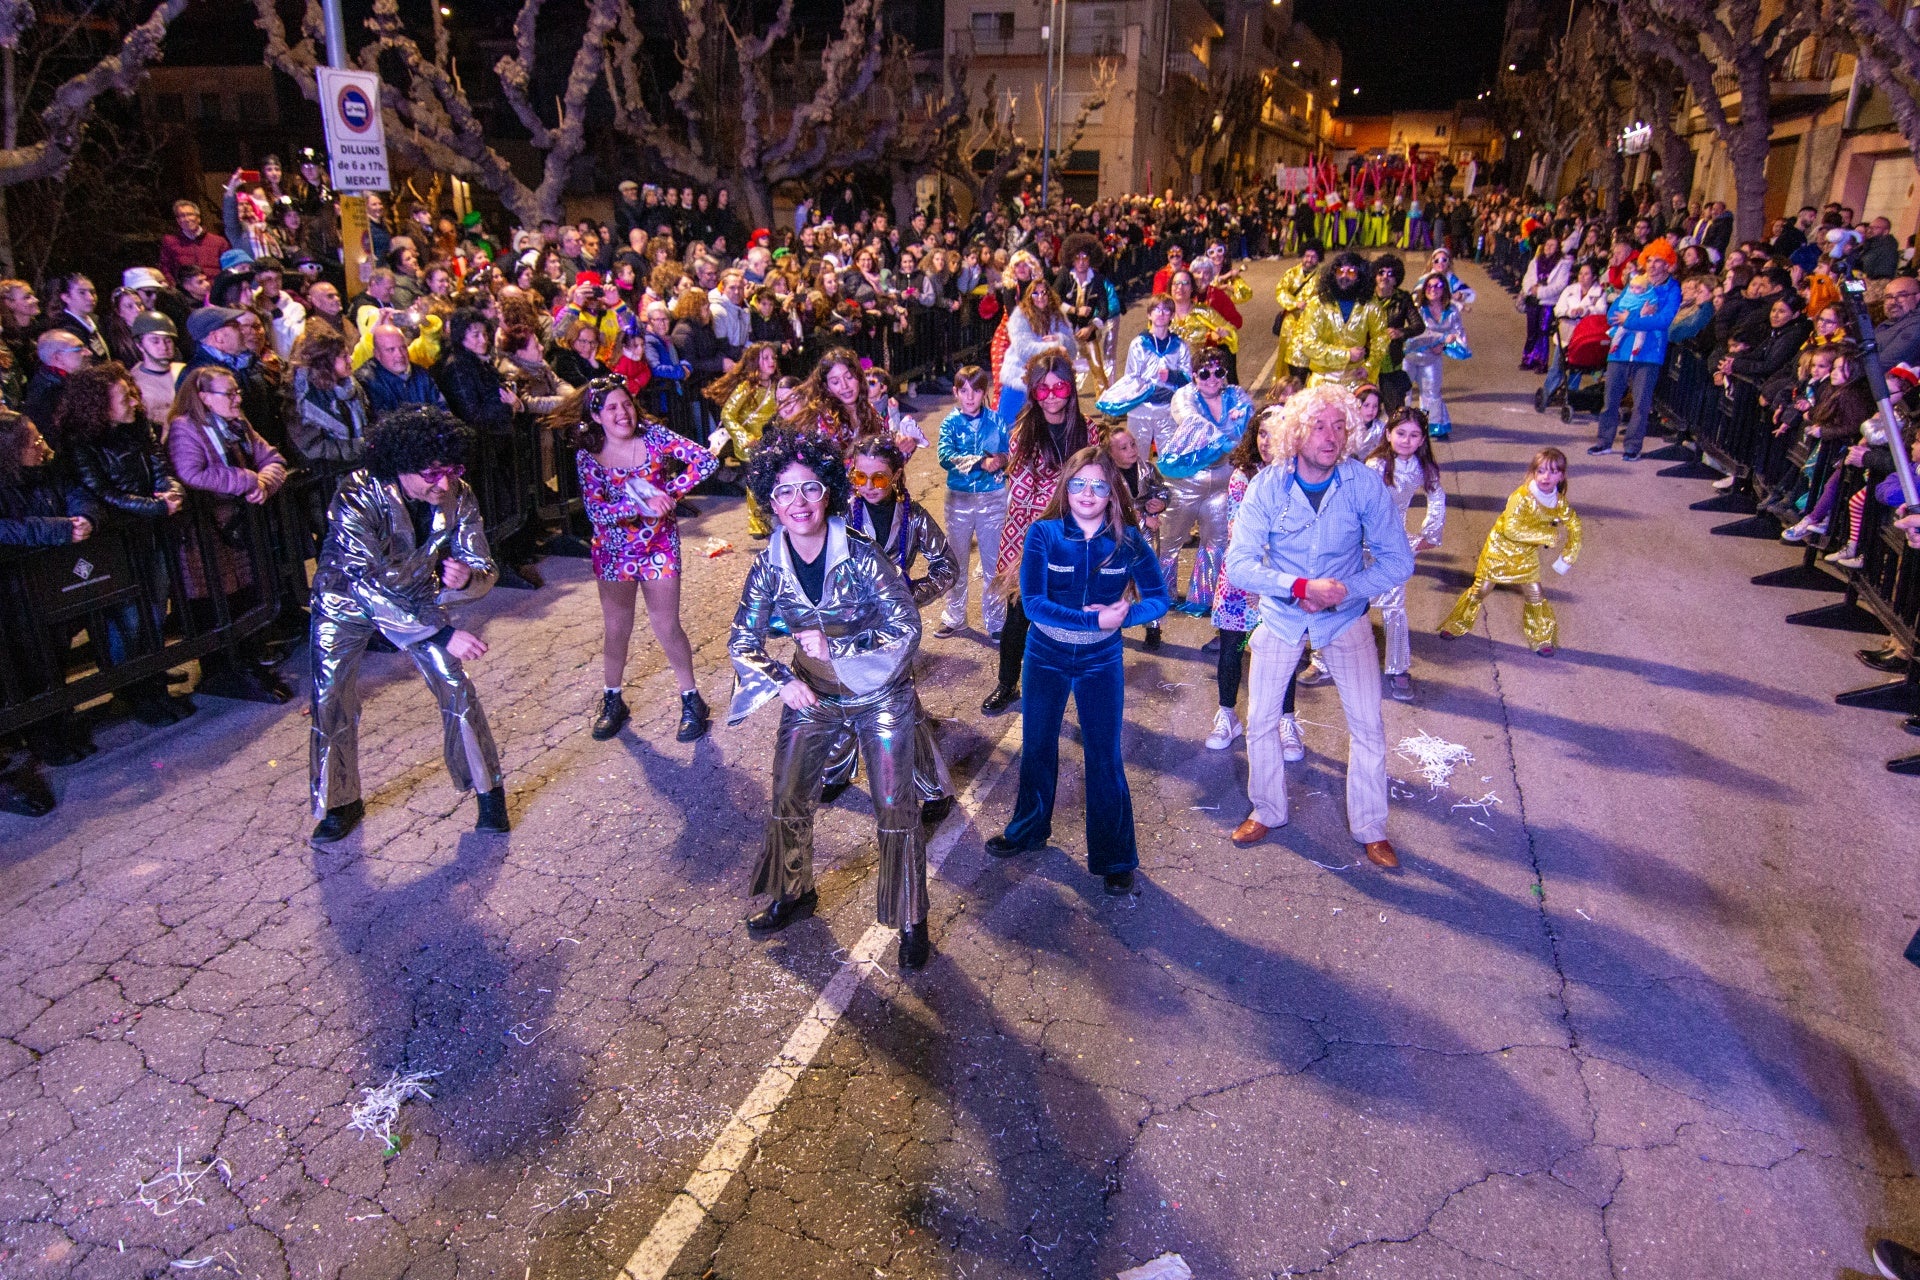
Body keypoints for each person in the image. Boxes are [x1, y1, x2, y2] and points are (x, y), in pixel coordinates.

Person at [727, 429, 931, 970]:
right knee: (789, 794)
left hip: (881, 694)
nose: (799, 503)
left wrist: (839, 645)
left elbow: (906, 628)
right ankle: (793, 891)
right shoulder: (768, 563)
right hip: (812, 693)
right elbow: (742, 640)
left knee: (893, 804)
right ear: (770, 501)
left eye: (811, 489)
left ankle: (911, 915)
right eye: (786, 492)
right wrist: (780, 680)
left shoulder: (862, 555)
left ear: (829, 495)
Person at [1223, 383, 1413, 868]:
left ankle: (1371, 827)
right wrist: (1301, 586)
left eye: (1339, 426)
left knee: (1367, 725)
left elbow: (1398, 561)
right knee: (1262, 721)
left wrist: (1342, 590)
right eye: (1318, 425)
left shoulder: (1363, 484)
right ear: (1296, 432)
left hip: (1344, 619)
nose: (1330, 437)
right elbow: (1240, 565)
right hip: (1283, 617)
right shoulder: (1269, 484)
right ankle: (1267, 810)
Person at [307, 408, 506, 842]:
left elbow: (482, 561)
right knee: (330, 696)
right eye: (432, 473)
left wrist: (467, 577)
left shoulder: (459, 494)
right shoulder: (356, 494)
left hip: (415, 599)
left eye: (452, 470)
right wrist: (441, 633)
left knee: (455, 685)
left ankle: (487, 791)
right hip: (346, 599)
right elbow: (364, 580)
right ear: (399, 466)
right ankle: (340, 802)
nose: (444, 483)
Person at [983, 446, 1168, 896]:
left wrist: (1123, 617)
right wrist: (1094, 619)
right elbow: (1033, 605)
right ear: (1066, 487)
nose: (1088, 493)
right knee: (1038, 746)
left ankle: (1115, 857)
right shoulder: (1043, 535)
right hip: (1044, 655)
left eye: (1099, 485)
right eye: (1079, 483)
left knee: (1105, 757)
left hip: (1101, 662)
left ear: (1112, 493)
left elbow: (1160, 599)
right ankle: (1028, 829)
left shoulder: (1128, 541)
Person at [565, 376, 717, 742]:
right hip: (614, 552)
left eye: (627, 404)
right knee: (618, 628)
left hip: (659, 546)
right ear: (597, 415)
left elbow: (706, 461)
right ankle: (613, 699)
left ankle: (691, 700)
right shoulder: (588, 454)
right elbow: (595, 511)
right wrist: (638, 504)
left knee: (667, 626)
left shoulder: (655, 437)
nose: (622, 413)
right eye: (612, 407)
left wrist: (669, 493)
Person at [819, 438, 959, 824]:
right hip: (846, 623)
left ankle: (931, 787)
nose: (868, 485)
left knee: (902, 707)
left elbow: (947, 567)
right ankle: (837, 769)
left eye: (879, 477)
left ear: (896, 475)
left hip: (892, 628)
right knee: (843, 696)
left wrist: (910, 594)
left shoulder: (914, 518)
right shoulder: (841, 514)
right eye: (859, 476)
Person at [60, 363, 190, 727]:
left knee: (154, 608)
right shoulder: (79, 442)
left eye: (133, 393)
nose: (134, 402)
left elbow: (160, 465)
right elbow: (100, 491)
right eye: (124, 397)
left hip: (150, 532)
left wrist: (172, 492)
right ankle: (131, 689)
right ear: (98, 404)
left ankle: (152, 675)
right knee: (127, 618)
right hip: (115, 542)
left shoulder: (138, 428)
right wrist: (153, 507)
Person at [166, 365, 292, 704]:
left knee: (245, 594)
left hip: (239, 527)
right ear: (204, 398)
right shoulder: (184, 429)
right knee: (215, 599)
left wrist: (264, 482)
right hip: (205, 534)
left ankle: (249, 659)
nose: (238, 398)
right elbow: (191, 473)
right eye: (230, 393)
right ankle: (222, 669)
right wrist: (247, 479)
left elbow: (273, 459)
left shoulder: (238, 423)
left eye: (237, 391)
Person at [982, 351, 1090, 716]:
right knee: (1019, 614)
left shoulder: (1088, 431)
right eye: (1042, 390)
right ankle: (1007, 683)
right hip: (1028, 538)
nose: (1052, 396)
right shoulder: (1022, 432)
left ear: (1071, 388)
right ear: (1032, 393)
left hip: (1075, 536)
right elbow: (1027, 494)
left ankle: (1057, 686)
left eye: (1059, 387)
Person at [1439, 447, 1583, 656]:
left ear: (1561, 476)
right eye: (1541, 471)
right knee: (1481, 589)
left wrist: (1567, 558)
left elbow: (1575, 527)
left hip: (1525, 556)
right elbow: (1512, 529)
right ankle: (1455, 625)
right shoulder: (1521, 496)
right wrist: (1547, 535)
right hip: (1499, 550)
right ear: (1533, 473)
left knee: (1535, 594)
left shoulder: (1559, 502)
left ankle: (1541, 638)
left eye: (1552, 472)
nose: (1546, 477)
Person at [1203, 401, 1282, 752]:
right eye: (1262, 433)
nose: (1266, 441)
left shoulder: (1300, 475)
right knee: (1232, 650)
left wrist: (1268, 585)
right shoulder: (1242, 476)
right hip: (1241, 577)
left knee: (1284, 653)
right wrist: (1253, 582)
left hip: (1281, 579)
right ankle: (1228, 715)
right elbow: (1238, 531)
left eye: (1275, 434)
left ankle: (1286, 721)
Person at [1158, 347, 1252, 616]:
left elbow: (1250, 417)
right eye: (1204, 373)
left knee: (1216, 542)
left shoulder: (1236, 395)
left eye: (1218, 372)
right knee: (1169, 541)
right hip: (1185, 482)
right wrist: (1233, 429)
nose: (1212, 378)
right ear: (1193, 375)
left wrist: (1241, 419)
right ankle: (1163, 595)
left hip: (1223, 480)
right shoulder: (1184, 397)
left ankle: (1202, 599)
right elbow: (1195, 425)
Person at [1365, 408, 1447, 701]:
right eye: (1400, 433)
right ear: (1388, 434)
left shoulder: (1423, 468)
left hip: (1394, 546)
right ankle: (1323, 660)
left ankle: (1398, 669)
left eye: (1414, 435)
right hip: (1360, 543)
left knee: (1395, 606)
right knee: (1344, 601)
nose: (1406, 440)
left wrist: (1430, 535)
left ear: (1423, 439)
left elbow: (1437, 497)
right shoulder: (1375, 465)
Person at [934, 364, 1009, 639]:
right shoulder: (950, 423)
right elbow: (945, 456)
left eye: (976, 390)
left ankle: (997, 621)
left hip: (993, 499)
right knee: (957, 559)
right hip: (959, 499)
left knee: (992, 563)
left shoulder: (997, 420)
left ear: (984, 392)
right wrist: (981, 462)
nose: (970, 397)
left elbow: (1009, 451)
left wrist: (1002, 459)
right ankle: (954, 616)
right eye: (963, 391)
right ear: (955, 392)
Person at [1590, 253, 1680, 460]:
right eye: (1649, 260)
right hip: (1620, 350)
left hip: (1649, 354)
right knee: (1610, 399)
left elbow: (1663, 321)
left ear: (1668, 265)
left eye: (1658, 261)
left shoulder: (1672, 289)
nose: (1652, 265)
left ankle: (1632, 446)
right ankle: (1603, 442)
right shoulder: (1636, 282)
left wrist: (1630, 319)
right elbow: (1613, 313)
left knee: (1641, 403)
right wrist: (1640, 316)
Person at [1102, 293, 1191, 460]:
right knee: (1135, 458)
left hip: (1167, 410)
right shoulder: (1139, 344)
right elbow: (1132, 377)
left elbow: (1188, 378)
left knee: (1169, 459)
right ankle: (1136, 486)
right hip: (1141, 410)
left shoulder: (1179, 345)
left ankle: (1166, 486)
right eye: (1156, 309)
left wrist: (1172, 376)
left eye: (1166, 310)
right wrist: (1149, 389)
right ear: (1149, 314)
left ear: (1172, 315)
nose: (1161, 313)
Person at [707, 342, 782, 537]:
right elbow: (727, 414)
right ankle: (757, 525)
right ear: (754, 362)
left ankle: (773, 517)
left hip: (770, 441)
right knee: (755, 484)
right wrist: (743, 436)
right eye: (765, 358)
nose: (771, 361)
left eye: (772, 357)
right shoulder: (746, 387)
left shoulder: (777, 386)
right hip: (749, 445)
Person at [1296, 251, 1387, 387]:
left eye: (1350, 272)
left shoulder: (1370, 305)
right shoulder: (1318, 303)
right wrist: (1347, 355)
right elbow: (1308, 344)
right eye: (1340, 271)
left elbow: (1381, 338)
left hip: (1355, 381)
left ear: (1359, 276)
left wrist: (1368, 366)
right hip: (1322, 381)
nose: (1344, 276)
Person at [997, 278, 1075, 424]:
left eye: (1044, 292)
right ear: (1029, 296)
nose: (1040, 297)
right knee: (1010, 427)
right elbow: (1024, 350)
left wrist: (1060, 338)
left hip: (1046, 383)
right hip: (1019, 379)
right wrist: (1054, 348)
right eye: (1035, 293)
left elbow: (1072, 349)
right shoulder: (1020, 316)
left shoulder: (1057, 315)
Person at [1402, 272, 1469, 440]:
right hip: (1409, 357)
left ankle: (1433, 425)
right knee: (1404, 392)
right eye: (1429, 286)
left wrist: (1444, 346)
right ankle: (1401, 424)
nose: (1433, 290)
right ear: (1424, 289)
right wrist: (1439, 340)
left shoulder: (1452, 311)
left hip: (1431, 359)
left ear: (1444, 289)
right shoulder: (1417, 308)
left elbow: (1458, 334)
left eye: (1438, 286)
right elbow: (1414, 334)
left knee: (1431, 392)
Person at [357, 323, 449, 417]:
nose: (400, 355)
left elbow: (442, 409)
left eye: (403, 348)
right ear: (377, 354)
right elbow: (381, 422)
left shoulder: (421, 374)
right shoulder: (367, 382)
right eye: (391, 350)